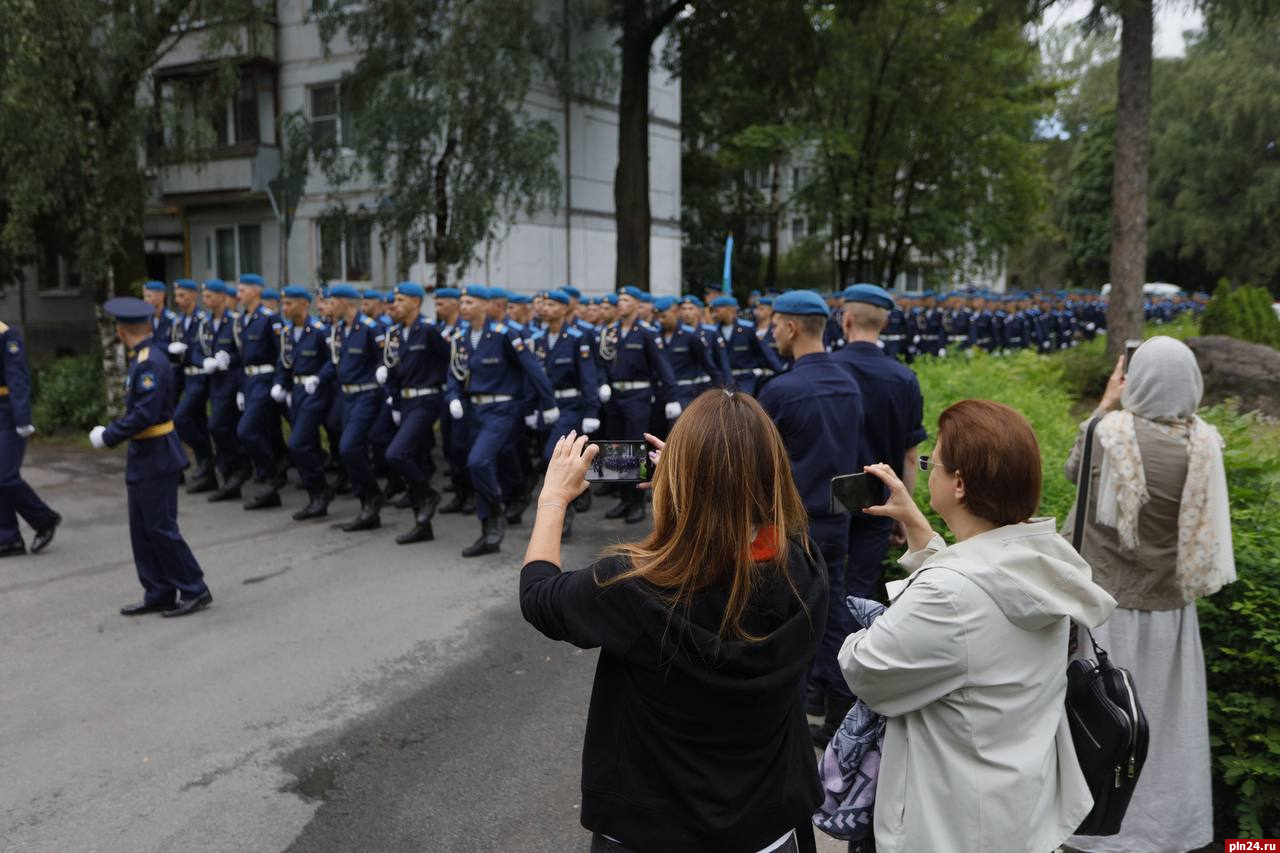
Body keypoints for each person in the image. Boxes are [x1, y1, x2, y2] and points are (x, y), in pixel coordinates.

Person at [520, 392, 828, 853]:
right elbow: (762, 531)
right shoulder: (803, 565)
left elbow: (538, 595)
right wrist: (704, 481)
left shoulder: (632, 582)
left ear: (685, 479)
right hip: (766, 824)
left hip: (650, 828)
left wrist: (552, 501)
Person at [839, 399, 1116, 853]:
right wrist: (921, 532)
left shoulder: (949, 594)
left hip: (951, 823)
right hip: (1014, 804)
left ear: (960, 483)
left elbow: (867, 670)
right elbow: (976, 602)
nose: (927, 471)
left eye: (933, 463)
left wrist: (865, 631)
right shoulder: (1039, 561)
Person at [1061, 338, 1231, 853]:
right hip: (1172, 614)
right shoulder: (1204, 444)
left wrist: (1107, 401)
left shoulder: (1107, 435)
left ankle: (1092, 832)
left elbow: (1074, 470)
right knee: (1165, 725)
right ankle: (1165, 829)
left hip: (1107, 610)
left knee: (1105, 720)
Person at [757, 289, 865, 748]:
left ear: (792, 327)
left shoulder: (781, 390)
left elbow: (757, 466)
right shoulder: (848, 382)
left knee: (784, 622)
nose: (771, 333)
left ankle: (788, 722)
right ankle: (842, 710)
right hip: (838, 517)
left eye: (775, 324)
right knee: (832, 613)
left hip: (792, 524)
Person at [89, 297, 212, 617]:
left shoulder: (150, 363)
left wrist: (108, 435)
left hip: (156, 454)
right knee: (142, 528)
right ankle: (158, 590)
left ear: (121, 329)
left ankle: (194, 588)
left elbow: (145, 413)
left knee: (160, 527)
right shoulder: (143, 357)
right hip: (144, 453)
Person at [831, 284, 928, 602]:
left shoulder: (826, 372)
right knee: (861, 591)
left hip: (826, 492)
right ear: (884, 323)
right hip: (878, 493)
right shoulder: (903, 378)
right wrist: (903, 511)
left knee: (823, 586)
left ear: (846, 320)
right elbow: (910, 457)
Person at [446, 285, 557, 557]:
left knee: (479, 461)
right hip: (475, 410)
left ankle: (496, 512)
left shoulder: (505, 334)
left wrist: (548, 402)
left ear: (485, 306)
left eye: (470, 302)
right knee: (476, 461)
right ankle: (488, 529)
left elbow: (532, 368)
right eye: (462, 301)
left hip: (502, 408)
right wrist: (453, 396)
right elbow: (455, 373)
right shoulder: (461, 337)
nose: (464, 306)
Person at [599, 286, 678, 524]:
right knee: (615, 447)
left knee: (634, 448)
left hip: (638, 395)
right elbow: (601, 363)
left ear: (636, 304)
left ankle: (636, 502)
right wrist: (602, 383)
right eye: (619, 300)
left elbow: (662, 365)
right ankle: (623, 498)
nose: (620, 304)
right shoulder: (610, 332)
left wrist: (672, 395)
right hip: (615, 396)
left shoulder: (646, 332)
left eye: (626, 300)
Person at [379, 282, 449, 544]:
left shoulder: (429, 330)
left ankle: (428, 496)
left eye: (399, 300)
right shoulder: (395, 333)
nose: (393, 305)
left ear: (415, 303)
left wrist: (449, 395)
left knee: (395, 454)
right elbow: (393, 370)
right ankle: (422, 524)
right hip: (406, 404)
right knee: (414, 458)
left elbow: (449, 361)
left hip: (427, 401)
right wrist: (395, 402)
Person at [0, 318, 61, 557]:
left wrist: (23, 419)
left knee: (5, 476)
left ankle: (44, 519)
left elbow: (18, 378)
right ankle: (8, 537)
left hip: (7, 412)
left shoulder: (7, 335)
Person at [274, 285, 335, 521]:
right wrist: (280, 383)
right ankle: (317, 495)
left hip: (315, 392)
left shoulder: (319, 331)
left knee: (298, 443)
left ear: (303, 304)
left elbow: (333, 361)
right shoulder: (287, 332)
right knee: (305, 443)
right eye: (283, 304)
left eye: (289, 304)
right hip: (297, 392)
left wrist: (319, 378)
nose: (285, 308)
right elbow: (284, 363)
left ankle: (321, 491)